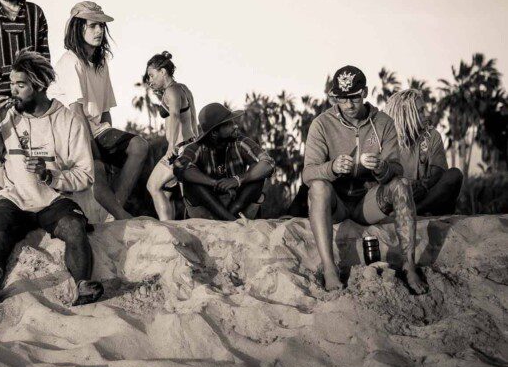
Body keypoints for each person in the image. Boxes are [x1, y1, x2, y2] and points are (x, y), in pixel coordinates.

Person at [0, 51, 103, 306]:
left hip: (53, 200)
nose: (13, 91)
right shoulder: (7, 118)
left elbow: (85, 175)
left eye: (20, 85)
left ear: (40, 85)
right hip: (14, 199)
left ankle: (82, 285)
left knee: (75, 229)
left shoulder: (68, 120)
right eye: (11, 85)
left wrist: (49, 175)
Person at [303, 65, 426, 293]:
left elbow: (397, 171)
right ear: (334, 97)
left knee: (402, 185)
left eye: (355, 98)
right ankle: (330, 268)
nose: (349, 105)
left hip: (367, 204)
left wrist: (381, 167)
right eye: (342, 99)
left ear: (365, 92)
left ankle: (409, 265)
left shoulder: (384, 123)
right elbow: (308, 174)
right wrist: (332, 167)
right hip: (336, 204)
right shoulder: (321, 124)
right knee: (318, 187)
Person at [50, 1, 148, 220]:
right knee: (98, 167)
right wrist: (93, 150)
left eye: (102, 26)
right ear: (78, 28)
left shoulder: (101, 62)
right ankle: (119, 214)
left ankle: (114, 213)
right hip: (68, 132)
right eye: (93, 25)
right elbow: (76, 112)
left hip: (94, 128)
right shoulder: (70, 61)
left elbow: (104, 112)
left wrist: (108, 147)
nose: (99, 31)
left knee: (139, 146)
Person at [174, 103, 274, 220]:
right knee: (191, 181)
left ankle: (227, 218)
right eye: (229, 124)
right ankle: (230, 220)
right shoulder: (197, 147)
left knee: (258, 176)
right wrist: (215, 183)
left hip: (237, 203)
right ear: (214, 132)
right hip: (207, 207)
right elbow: (179, 165)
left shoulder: (240, 142)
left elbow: (268, 163)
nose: (235, 126)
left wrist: (237, 180)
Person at [385, 89, 463, 215]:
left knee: (455, 175)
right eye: (420, 111)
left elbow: (438, 173)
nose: (426, 114)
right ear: (405, 114)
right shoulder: (386, 140)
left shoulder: (432, 135)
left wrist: (423, 186)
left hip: (427, 198)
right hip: (398, 198)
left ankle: (414, 211)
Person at [143, 51, 198, 220]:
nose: (150, 81)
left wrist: (171, 146)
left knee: (152, 186)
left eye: (152, 76)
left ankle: (168, 229)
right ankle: (171, 228)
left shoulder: (171, 91)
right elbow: (190, 118)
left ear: (163, 72)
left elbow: (174, 116)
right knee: (166, 192)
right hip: (191, 145)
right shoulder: (182, 88)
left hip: (179, 149)